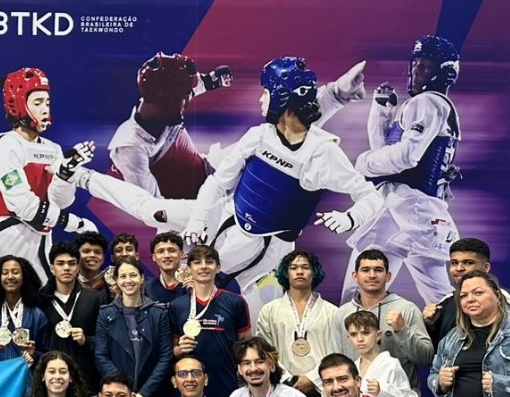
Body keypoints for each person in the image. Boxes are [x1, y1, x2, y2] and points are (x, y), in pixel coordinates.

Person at [69, 57, 378, 315]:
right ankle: (81, 176)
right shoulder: (259, 136)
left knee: (265, 319)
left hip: (267, 254)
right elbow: (217, 184)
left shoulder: (323, 152)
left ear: (282, 99)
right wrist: (199, 219)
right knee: (154, 211)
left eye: (266, 93)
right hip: (223, 214)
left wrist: (350, 217)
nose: (261, 99)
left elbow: (370, 196)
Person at [344, 36, 463, 306]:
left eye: (426, 66)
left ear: (443, 73)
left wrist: (363, 163)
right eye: (415, 64)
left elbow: (405, 157)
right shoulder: (434, 106)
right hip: (408, 208)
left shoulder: (428, 102)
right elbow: (387, 154)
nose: (416, 71)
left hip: (411, 207)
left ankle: (480, 328)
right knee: (363, 288)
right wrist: (381, 113)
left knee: (441, 299)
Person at [0, 67, 96, 283]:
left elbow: (61, 201)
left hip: (41, 242)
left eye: (47, 103)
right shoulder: (6, 145)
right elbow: (24, 206)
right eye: (37, 103)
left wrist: (66, 172)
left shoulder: (53, 149)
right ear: (17, 105)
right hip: (5, 239)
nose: (45, 110)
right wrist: (76, 224)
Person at [337, 248, 433, 397]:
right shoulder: (342, 314)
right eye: (366, 270)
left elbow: (426, 358)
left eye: (378, 270)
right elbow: (338, 361)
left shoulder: (406, 309)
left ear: (388, 275)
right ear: (355, 275)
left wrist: (402, 330)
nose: (372, 275)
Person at [108, 51, 232, 202]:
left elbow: (198, 85)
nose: (186, 101)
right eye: (183, 97)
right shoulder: (129, 148)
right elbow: (151, 207)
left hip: (210, 173)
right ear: (164, 98)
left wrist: (214, 80)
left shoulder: (164, 102)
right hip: (192, 208)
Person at [254, 250, 343, 397]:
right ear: (286, 273)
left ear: (314, 273)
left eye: (305, 267)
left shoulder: (332, 312)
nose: (300, 272)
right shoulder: (269, 311)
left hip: (321, 390)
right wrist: (288, 380)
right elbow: (264, 351)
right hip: (281, 387)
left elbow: (336, 352)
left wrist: (312, 379)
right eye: (294, 268)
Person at [169, 245, 252, 397]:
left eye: (209, 261)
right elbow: (170, 350)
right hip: (188, 390)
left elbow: (246, 344)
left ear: (218, 267)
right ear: (189, 269)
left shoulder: (236, 302)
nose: (203, 266)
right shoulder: (177, 306)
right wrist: (179, 349)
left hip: (226, 387)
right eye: (197, 262)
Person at [95, 256, 173, 397]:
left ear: (142, 278)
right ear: (117, 280)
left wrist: (144, 394)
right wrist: (123, 390)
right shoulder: (105, 314)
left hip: (153, 396)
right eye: (123, 276)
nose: (128, 280)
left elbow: (166, 357)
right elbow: (101, 356)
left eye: (133, 275)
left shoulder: (159, 314)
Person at [425, 238, 510, 347]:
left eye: (468, 263)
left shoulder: (505, 298)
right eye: (454, 263)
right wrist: (431, 326)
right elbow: (438, 348)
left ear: (486, 268)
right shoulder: (445, 303)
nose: (459, 268)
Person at [39, 241, 108, 395]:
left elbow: (106, 340)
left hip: (85, 380)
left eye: (71, 263)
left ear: (77, 268)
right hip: (50, 381)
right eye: (60, 263)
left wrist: (86, 340)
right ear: (52, 268)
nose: (66, 268)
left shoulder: (95, 298)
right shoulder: (40, 300)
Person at [0, 255, 49, 366]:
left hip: (25, 374)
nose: (10, 277)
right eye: (5, 273)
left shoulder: (37, 314)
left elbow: (47, 353)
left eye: (15, 272)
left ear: (25, 277)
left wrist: (34, 354)